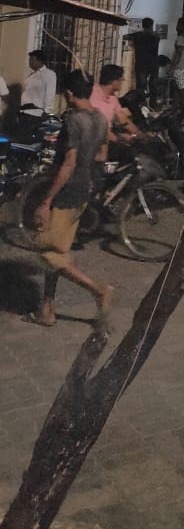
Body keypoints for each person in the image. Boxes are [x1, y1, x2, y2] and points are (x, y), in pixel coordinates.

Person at [31, 69, 113, 327]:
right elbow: (101, 156)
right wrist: (93, 183)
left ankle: (98, 289)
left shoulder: (73, 121)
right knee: (59, 250)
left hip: (66, 192)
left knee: (48, 252)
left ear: (68, 93)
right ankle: (47, 310)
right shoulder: (100, 119)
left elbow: (68, 163)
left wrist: (46, 201)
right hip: (84, 189)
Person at [90, 64, 139, 164]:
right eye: (121, 79)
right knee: (129, 154)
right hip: (94, 140)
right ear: (114, 81)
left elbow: (123, 119)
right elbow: (100, 128)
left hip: (107, 138)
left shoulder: (112, 98)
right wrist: (118, 138)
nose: (122, 82)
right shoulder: (93, 95)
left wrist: (140, 134)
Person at [126, 18, 160, 105]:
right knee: (153, 86)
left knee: (141, 87)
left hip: (141, 64)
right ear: (152, 25)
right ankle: (153, 105)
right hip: (154, 64)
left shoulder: (138, 35)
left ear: (143, 25)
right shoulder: (156, 36)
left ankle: (142, 105)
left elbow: (125, 37)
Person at [20, 49, 57, 122]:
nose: (30, 62)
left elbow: (50, 94)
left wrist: (46, 111)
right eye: (29, 59)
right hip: (24, 112)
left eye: (32, 60)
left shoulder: (48, 74)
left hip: (35, 114)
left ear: (40, 61)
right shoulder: (31, 75)